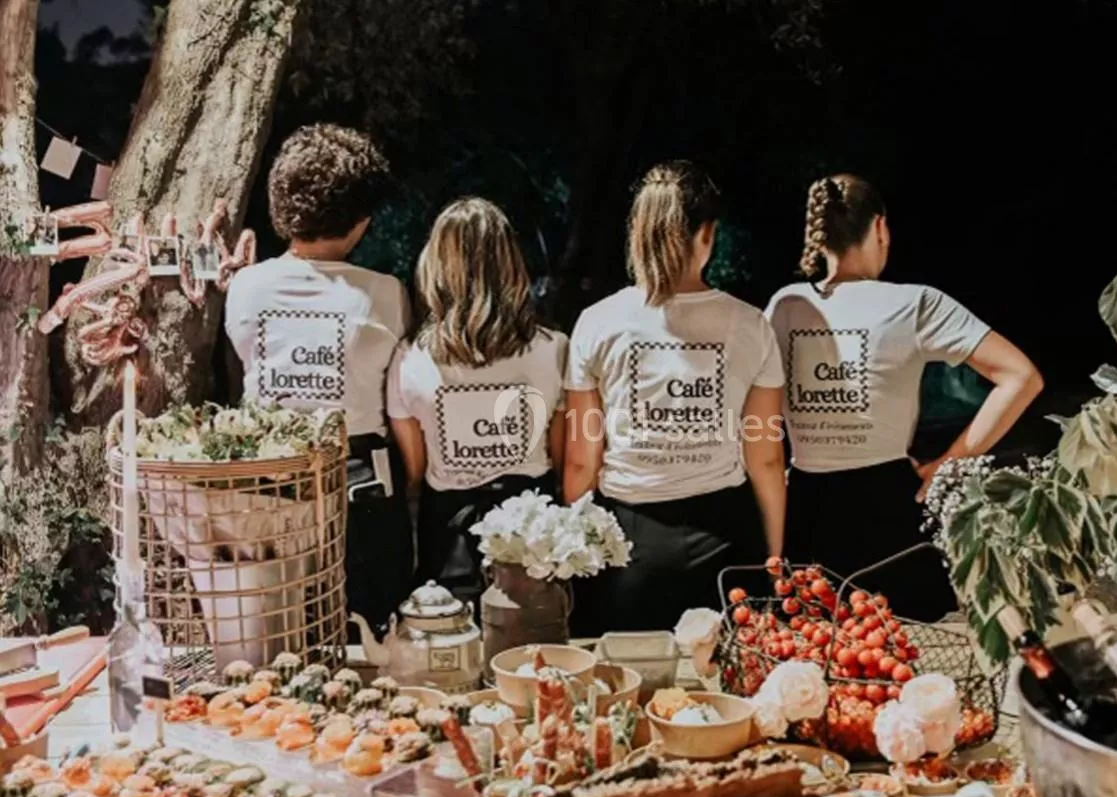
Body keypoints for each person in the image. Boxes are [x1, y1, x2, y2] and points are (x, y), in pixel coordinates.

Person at [766, 174, 1042, 622]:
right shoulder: (915, 303)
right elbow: (1021, 377)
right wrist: (948, 462)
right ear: (880, 228)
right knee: (900, 647)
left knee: (806, 647)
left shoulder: (785, 305)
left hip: (805, 511)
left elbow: (761, 406)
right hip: (887, 510)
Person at [563, 161, 787, 634]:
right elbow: (765, 457)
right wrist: (773, 558)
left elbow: (582, 460)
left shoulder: (598, 322)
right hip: (725, 540)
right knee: (728, 678)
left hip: (626, 545)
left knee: (628, 678)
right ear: (707, 234)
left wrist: (571, 551)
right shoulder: (751, 324)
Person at [224, 123, 413, 634]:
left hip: (267, 483)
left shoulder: (245, 288)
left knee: (277, 629)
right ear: (360, 221)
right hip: (361, 482)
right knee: (369, 633)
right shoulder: (386, 294)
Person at [387, 198, 567, 606]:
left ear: (436, 267)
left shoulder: (409, 358)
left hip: (447, 535)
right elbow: (559, 453)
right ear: (511, 264)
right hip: (534, 531)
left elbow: (415, 469)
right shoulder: (554, 349)